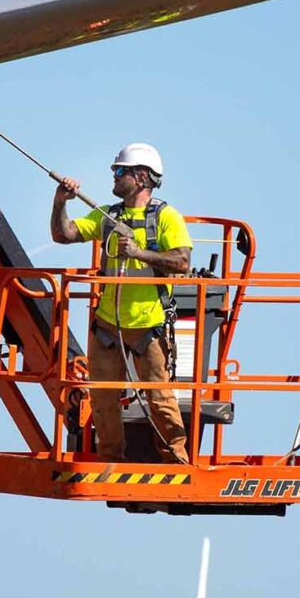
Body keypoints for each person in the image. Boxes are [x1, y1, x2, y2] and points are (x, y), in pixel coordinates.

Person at [51, 143, 194, 464]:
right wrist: (60, 202)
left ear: (141, 177)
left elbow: (182, 261)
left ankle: (177, 463)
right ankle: (110, 461)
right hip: (108, 325)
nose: (113, 176)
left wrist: (139, 253)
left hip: (148, 325)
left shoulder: (166, 217)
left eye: (120, 171)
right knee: (102, 399)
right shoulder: (108, 216)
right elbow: (64, 234)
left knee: (160, 400)